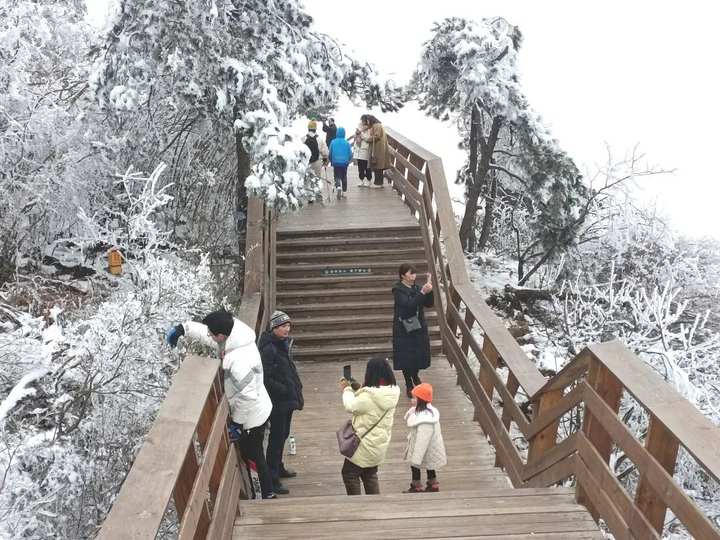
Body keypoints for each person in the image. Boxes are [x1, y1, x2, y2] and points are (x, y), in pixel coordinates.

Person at [165, 310, 275, 499]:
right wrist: (184, 329)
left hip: (252, 417)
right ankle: (265, 493)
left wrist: (238, 424)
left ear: (222, 336)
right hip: (257, 408)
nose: (209, 336)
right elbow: (210, 335)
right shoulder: (234, 335)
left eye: (212, 333)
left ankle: (265, 496)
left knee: (253, 457)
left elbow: (247, 396)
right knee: (254, 455)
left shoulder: (240, 360)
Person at [257, 310, 304, 496]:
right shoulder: (269, 349)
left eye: (288, 326)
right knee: (276, 439)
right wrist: (283, 389)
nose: (287, 329)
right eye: (283, 326)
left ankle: (279, 466)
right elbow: (265, 377)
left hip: (287, 400)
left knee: (283, 434)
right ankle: (273, 478)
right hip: (277, 402)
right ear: (274, 328)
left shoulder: (282, 344)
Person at [339, 357, 400, 495]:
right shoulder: (393, 391)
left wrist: (347, 389)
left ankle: (358, 505)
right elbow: (372, 397)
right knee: (370, 474)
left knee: (349, 474)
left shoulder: (369, 397)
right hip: (378, 445)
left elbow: (351, 406)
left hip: (363, 445)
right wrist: (357, 387)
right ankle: (374, 503)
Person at [392, 263, 434, 397]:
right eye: (411, 273)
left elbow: (428, 304)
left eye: (415, 273)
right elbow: (408, 306)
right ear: (403, 275)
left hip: (418, 326)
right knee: (406, 356)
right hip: (403, 328)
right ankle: (408, 383)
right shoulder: (398, 290)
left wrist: (429, 290)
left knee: (418, 354)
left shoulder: (417, 287)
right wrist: (422, 292)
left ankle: (415, 376)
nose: (414, 276)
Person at [403, 383, 447, 493]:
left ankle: (416, 485)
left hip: (423, 447)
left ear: (421, 400)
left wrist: (416, 458)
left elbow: (422, 440)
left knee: (415, 466)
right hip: (431, 447)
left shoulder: (425, 421)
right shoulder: (429, 413)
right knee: (430, 465)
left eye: (414, 398)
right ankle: (433, 483)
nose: (411, 400)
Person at [365, 115, 392, 188]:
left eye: (368, 120)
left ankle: (378, 184)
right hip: (379, 148)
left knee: (378, 166)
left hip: (378, 149)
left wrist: (368, 139)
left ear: (371, 120)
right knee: (378, 166)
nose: (367, 122)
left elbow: (377, 136)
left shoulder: (376, 125)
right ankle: (380, 183)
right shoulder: (378, 125)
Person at [328, 127, 352, 200]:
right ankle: (344, 192)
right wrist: (348, 160)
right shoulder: (346, 142)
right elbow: (350, 154)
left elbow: (330, 153)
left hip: (336, 162)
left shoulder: (333, 142)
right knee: (344, 176)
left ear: (337, 133)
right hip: (344, 163)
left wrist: (331, 160)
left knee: (336, 176)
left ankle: (338, 186)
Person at [354, 115, 372, 187]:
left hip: (365, 150)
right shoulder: (359, 128)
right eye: (361, 120)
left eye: (363, 120)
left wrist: (361, 134)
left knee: (367, 167)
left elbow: (368, 138)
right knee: (360, 167)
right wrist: (357, 134)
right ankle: (361, 180)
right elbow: (355, 137)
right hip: (359, 150)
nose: (362, 122)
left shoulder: (369, 129)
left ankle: (368, 180)